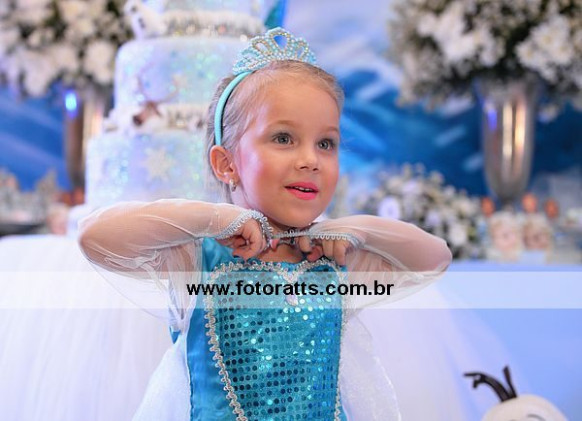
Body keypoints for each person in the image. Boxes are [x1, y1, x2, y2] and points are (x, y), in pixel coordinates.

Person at [78, 27, 452, 421]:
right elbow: (94, 237)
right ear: (226, 164)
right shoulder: (196, 257)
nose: (310, 160)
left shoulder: (332, 258)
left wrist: (359, 229)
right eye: (284, 138)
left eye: (325, 143)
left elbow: (435, 257)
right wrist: (213, 218)